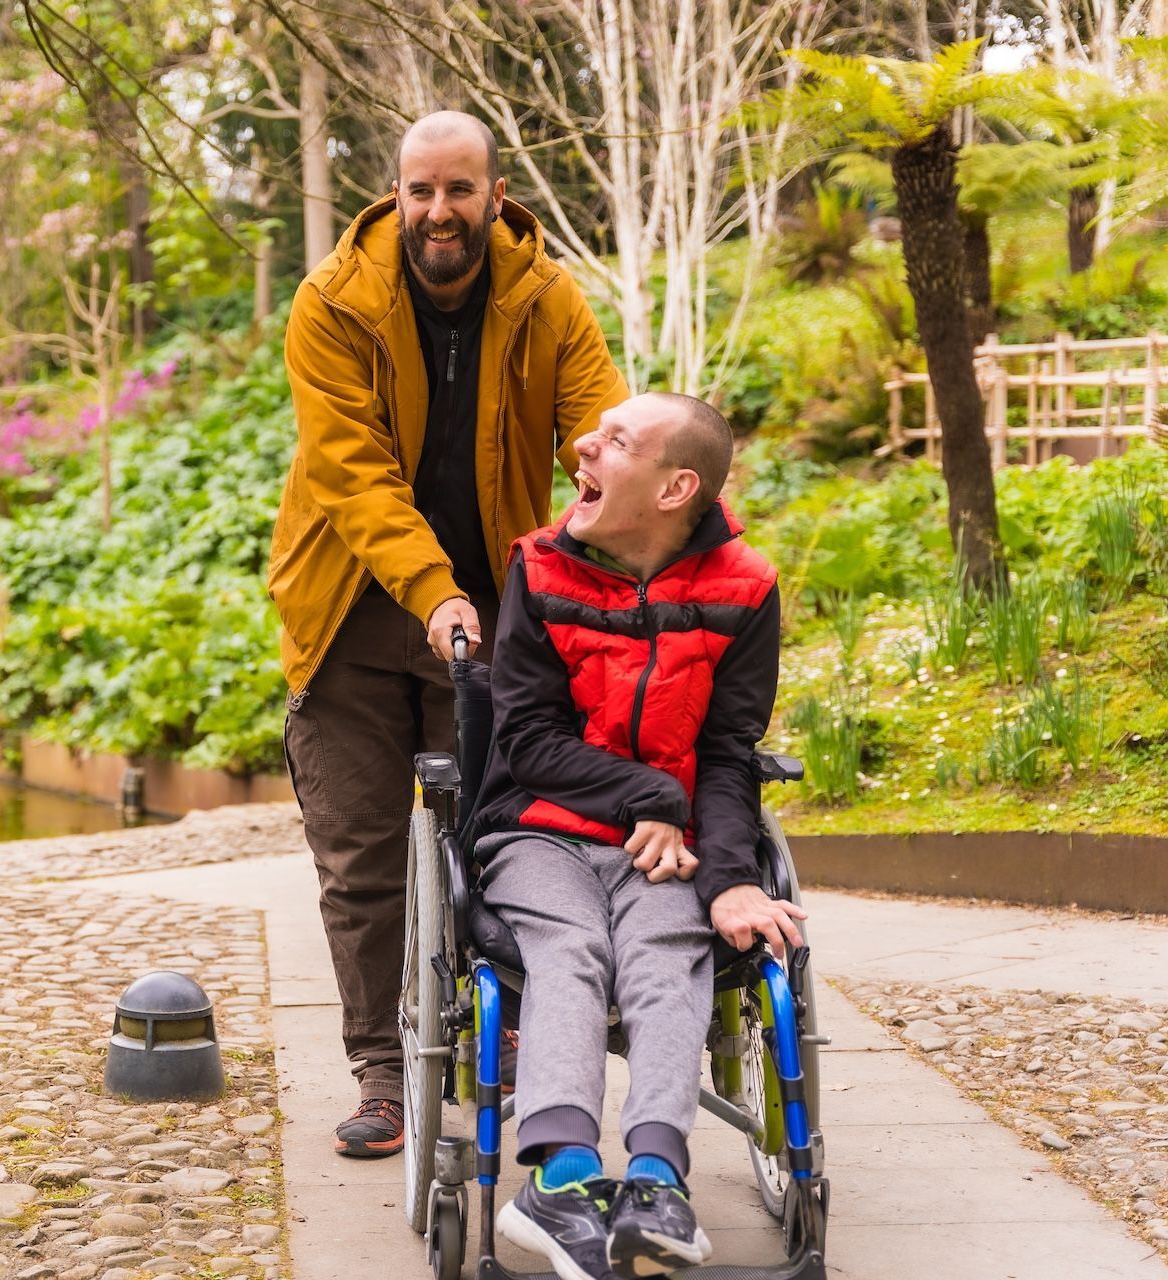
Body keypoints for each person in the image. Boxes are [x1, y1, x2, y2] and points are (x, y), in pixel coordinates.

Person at [269, 110, 627, 1158]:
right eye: (420, 190)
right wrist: (432, 589)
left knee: (501, 840)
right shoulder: (333, 303)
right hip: (352, 613)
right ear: (395, 193)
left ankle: (497, 1038)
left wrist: (634, 494)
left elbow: (598, 425)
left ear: (495, 197)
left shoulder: (546, 299)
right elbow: (352, 473)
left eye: (459, 190)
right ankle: (383, 1071)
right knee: (363, 858)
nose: (438, 211)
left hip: (492, 614)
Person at [466, 392, 807, 1280]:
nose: (583, 443)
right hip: (539, 832)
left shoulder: (745, 589)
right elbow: (528, 743)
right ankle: (563, 1181)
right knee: (570, 947)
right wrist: (650, 792)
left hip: (670, 848)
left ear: (674, 487)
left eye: (615, 441)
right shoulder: (539, 571)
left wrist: (731, 878)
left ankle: (657, 1182)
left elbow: (729, 751)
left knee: (666, 948)